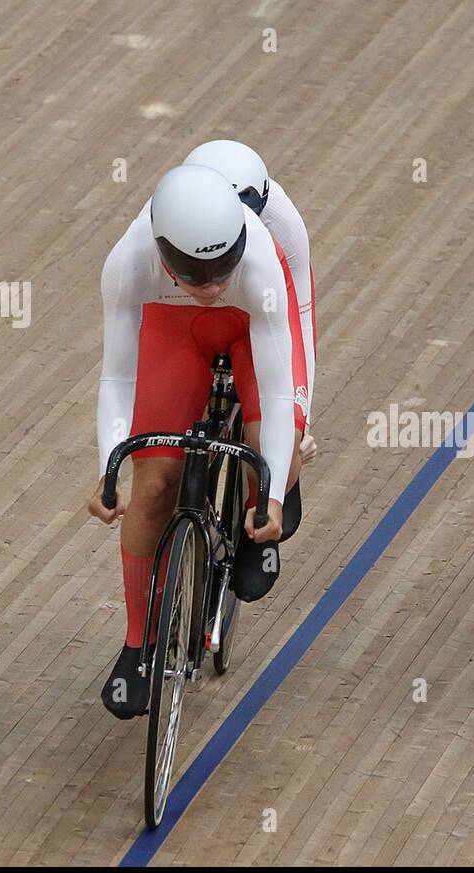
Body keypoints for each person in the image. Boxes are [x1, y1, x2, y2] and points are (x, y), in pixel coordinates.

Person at [89, 164, 301, 719]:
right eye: (193, 271)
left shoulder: (262, 262)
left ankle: (258, 523)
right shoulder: (127, 263)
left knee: (276, 446)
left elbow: (281, 394)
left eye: (220, 268)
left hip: (255, 326)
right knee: (155, 486)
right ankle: (137, 644)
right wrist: (108, 473)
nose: (209, 285)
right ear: (161, 249)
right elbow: (117, 376)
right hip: (172, 325)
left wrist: (272, 493)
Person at [183, 140, 319, 472]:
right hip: (192, 304)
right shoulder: (173, 212)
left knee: (280, 452)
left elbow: (300, 318)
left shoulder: (283, 224)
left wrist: (302, 418)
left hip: (259, 304)